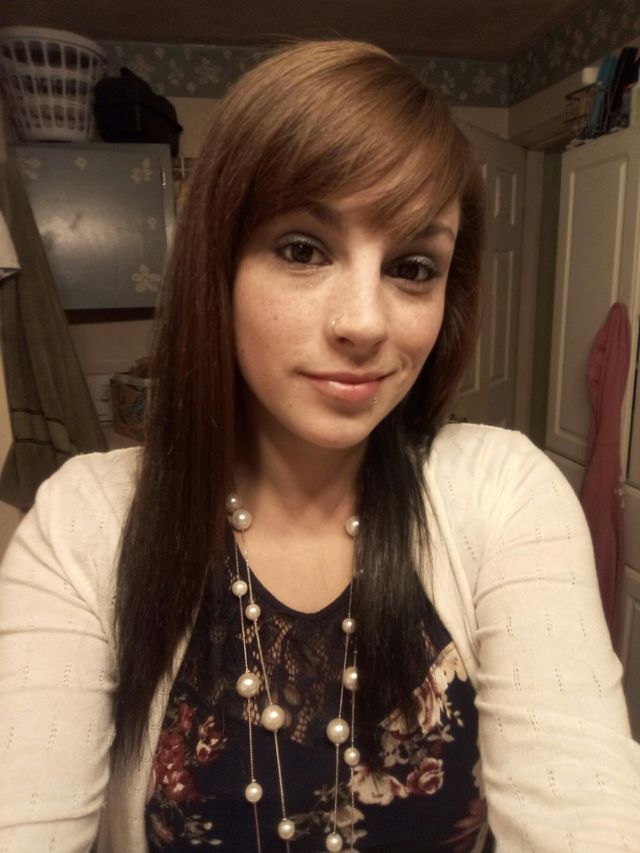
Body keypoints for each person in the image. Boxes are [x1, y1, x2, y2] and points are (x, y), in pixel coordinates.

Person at [0, 39, 639, 853]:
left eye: (413, 266)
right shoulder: (81, 527)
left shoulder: (506, 493)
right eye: (303, 248)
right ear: (217, 264)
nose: (365, 322)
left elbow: (584, 800)